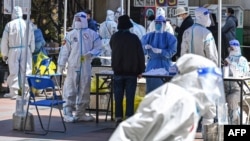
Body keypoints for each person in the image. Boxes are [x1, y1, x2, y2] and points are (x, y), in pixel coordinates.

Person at [109, 54, 227, 141]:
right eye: (210, 83)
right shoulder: (177, 97)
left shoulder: (189, 103)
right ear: (195, 78)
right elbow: (130, 131)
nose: (214, 91)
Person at [57, 11, 102, 122]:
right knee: (70, 88)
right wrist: (61, 66)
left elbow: (99, 47)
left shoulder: (92, 34)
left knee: (84, 89)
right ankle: (67, 112)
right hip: (73, 65)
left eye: (79, 19)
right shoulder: (70, 35)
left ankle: (80, 113)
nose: (78, 21)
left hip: (86, 65)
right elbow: (64, 52)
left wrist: (91, 54)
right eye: (76, 19)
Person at [109, 14, 145, 126]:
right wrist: (140, 70)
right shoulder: (134, 38)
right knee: (130, 96)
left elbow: (111, 48)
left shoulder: (114, 37)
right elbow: (140, 55)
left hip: (118, 71)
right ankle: (129, 117)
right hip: (131, 72)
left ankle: (118, 117)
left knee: (118, 96)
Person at [1, 6, 35, 99]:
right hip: (26, 50)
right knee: (26, 71)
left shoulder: (9, 25)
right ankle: (25, 92)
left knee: (14, 71)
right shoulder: (28, 24)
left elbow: (4, 40)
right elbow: (32, 38)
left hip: (14, 50)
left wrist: (5, 54)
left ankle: (15, 92)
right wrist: (31, 49)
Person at [141, 15, 177, 94]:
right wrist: (145, 47)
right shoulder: (149, 36)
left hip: (165, 65)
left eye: (160, 23)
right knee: (151, 91)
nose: (158, 25)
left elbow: (172, 51)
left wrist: (161, 51)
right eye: (156, 23)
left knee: (163, 91)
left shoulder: (170, 37)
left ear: (164, 24)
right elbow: (142, 51)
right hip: (152, 66)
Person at [223, 39, 249, 124]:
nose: (230, 50)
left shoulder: (242, 60)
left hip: (238, 89)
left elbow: (241, 74)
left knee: (232, 99)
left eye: (232, 48)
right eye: (229, 48)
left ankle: (234, 123)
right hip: (226, 88)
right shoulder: (227, 59)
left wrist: (231, 64)